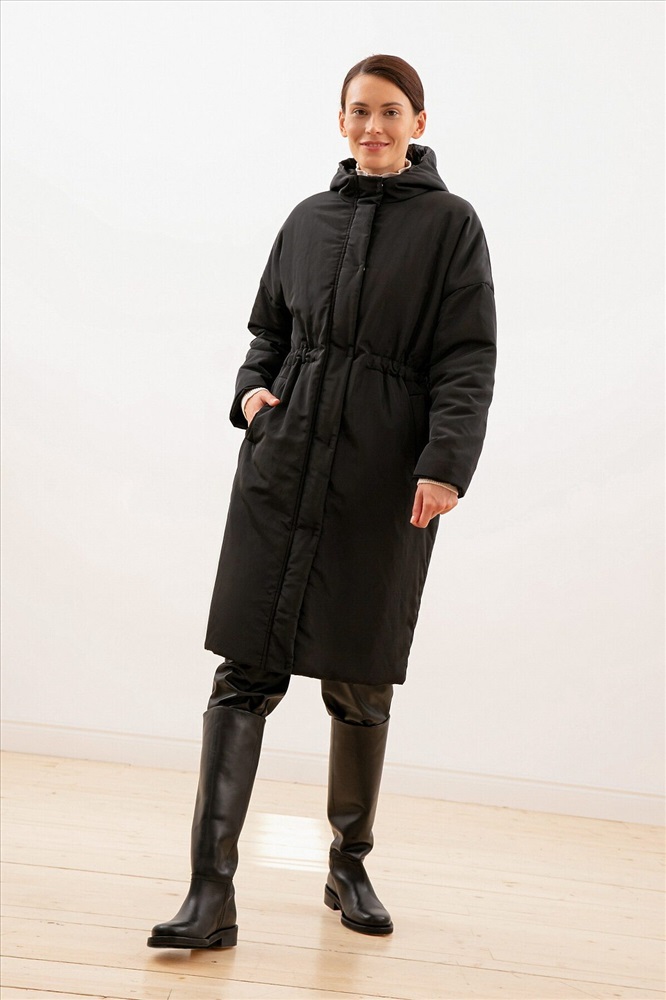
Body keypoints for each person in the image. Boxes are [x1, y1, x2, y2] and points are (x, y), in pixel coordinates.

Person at [148, 53, 497, 951]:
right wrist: (252, 394)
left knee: (361, 679)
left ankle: (349, 864)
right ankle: (209, 892)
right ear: (341, 120)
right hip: (283, 464)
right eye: (358, 111)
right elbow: (266, 330)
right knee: (242, 673)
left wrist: (445, 464)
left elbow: (466, 355)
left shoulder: (452, 225)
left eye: (390, 111)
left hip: (382, 474)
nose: (373, 126)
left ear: (418, 122)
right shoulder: (307, 219)